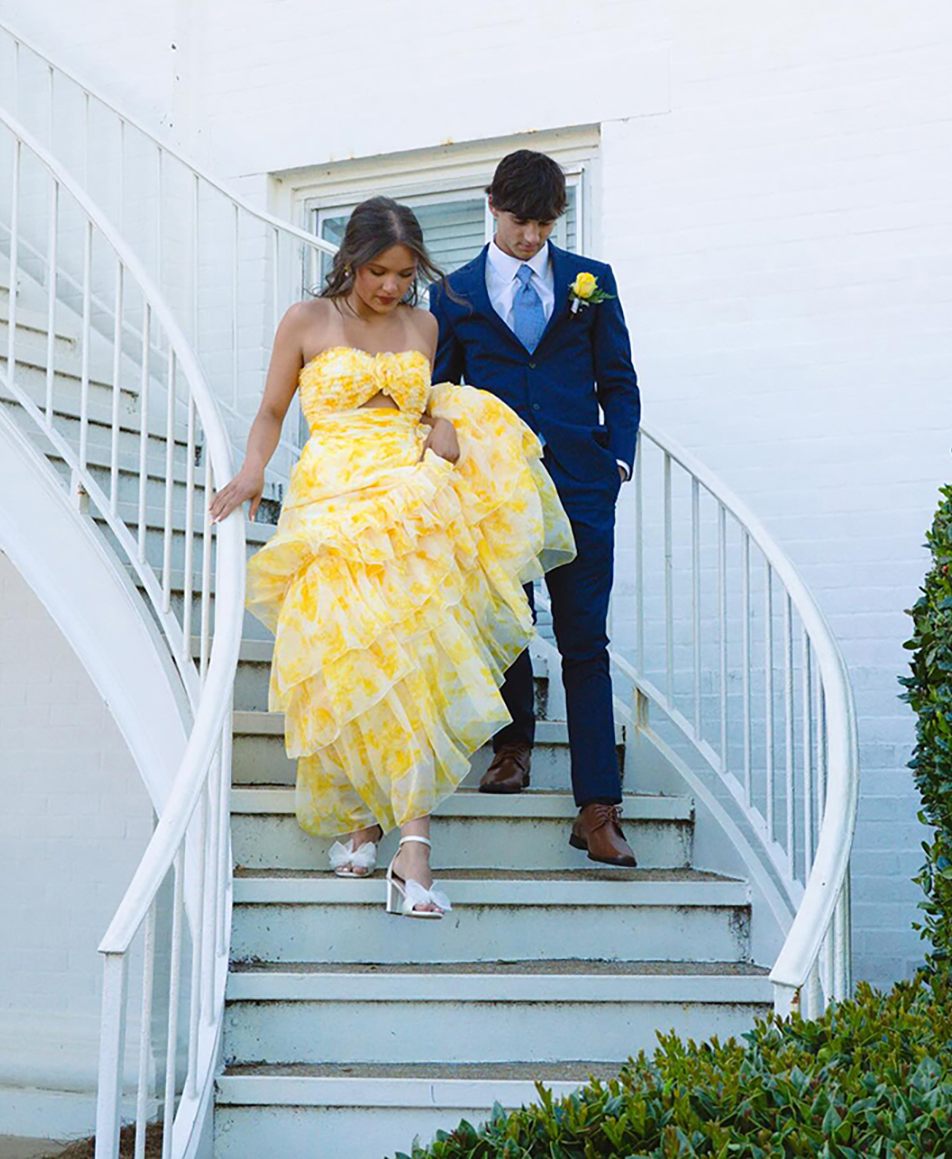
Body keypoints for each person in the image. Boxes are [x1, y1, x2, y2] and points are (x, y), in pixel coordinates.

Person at [210, 196, 574, 919]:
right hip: (331, 500)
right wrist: (252, 470)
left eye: (405, 274)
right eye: (379, 271)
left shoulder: (424, 324)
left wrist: (441, 421)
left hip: (411, 499)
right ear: (351, 259)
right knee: (347, 660)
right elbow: (274, 410)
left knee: (411, 659)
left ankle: (414, 850)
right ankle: (360, 818)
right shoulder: (306, 320)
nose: (391, 287)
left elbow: (417, 403)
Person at [430, 151, 641, 867]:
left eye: (546, 224)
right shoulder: (453, 294)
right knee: (507, 624)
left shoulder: (593, 281)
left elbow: (619, 379)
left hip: (581, 483)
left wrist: (617, 460)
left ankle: (598, 808)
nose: (532, 237)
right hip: (496, 489)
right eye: (521, 222)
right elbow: (440, 391)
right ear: (493, 205)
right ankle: (511, 749)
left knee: (585, 642)